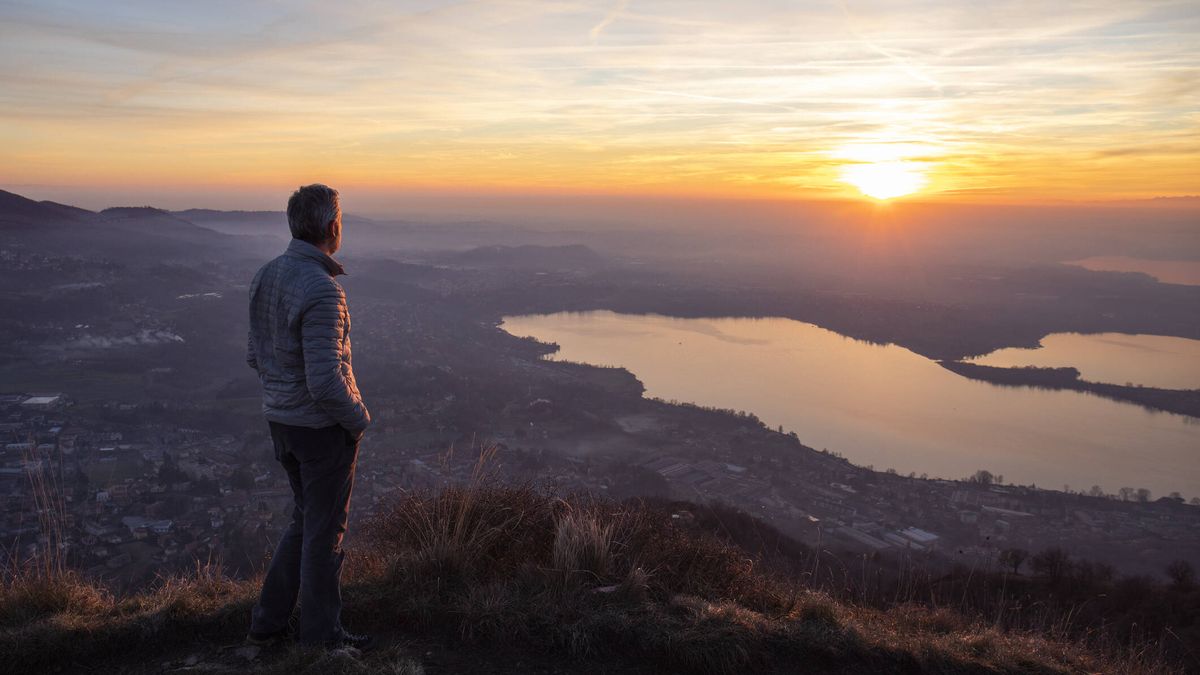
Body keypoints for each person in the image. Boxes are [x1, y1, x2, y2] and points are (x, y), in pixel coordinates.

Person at [243, 183, 373, 651]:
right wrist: (358, 419)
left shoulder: (265, 276)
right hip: (321, 430)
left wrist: (282, 395)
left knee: (304, 523)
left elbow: (256, 356)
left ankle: (268, 622)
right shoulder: (323, 291)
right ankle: (323, 640)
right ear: (332, 226)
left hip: (281, 422)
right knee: (324, 537)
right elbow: (324, 380)